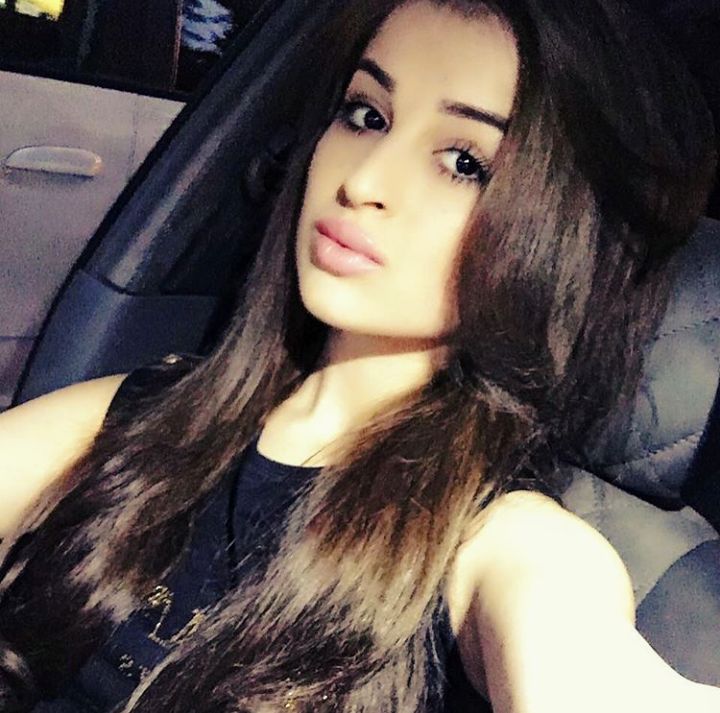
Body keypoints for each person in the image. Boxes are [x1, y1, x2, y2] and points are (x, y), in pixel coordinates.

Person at [1, 0, 719, 711]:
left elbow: (578, 655)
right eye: (367, 115)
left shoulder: (501, 540)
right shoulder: (145, 412)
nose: (363, 182)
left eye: (464, 163)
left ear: (560, 238)